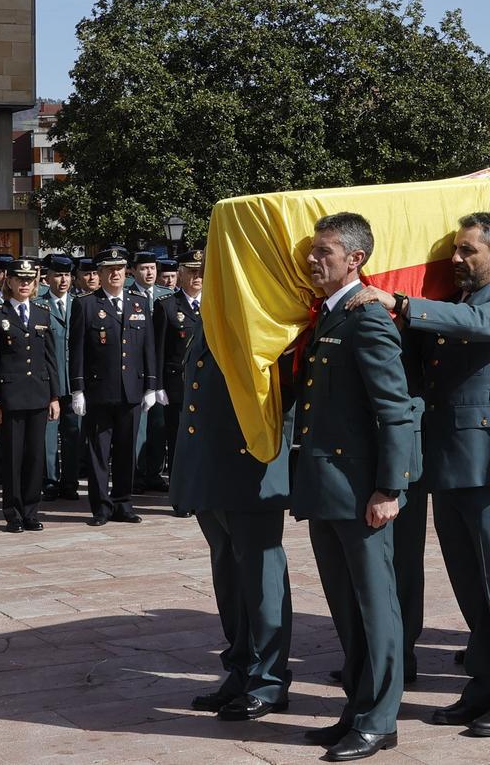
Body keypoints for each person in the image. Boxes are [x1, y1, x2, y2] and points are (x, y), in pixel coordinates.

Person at [348, 212, 490, 738]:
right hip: (449, 463)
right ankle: (482, 685)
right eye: (454, 249)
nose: (456, 259)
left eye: (468, 250)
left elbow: (482, 327)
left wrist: (403, 302)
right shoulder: (452, 307)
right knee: (470, 586)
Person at [296, 213, 416, 763]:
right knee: (346, 607)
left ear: (355, 258)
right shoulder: (328, 315)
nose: (312, 259)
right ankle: (357, 706)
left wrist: (389, 487)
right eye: (311, 250)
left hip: (362, 490)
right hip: (327, 487)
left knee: (376, 607)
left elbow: (395, 411)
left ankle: (379, 720)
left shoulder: (366, 317)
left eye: (324, 251)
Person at [172, 246, 295, 724]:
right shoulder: (211, 315)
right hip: (213, 469)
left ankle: (270, 678)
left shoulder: (264, 316)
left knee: (260, 574)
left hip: (250, 467)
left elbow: (280, 392)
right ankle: (242, 668)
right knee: (228, 571)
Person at [69, 246, 159, 525]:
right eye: (109, 270)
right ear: (100, 273)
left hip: (131, 389)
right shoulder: (86, 304)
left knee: (125, 450)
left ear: (126, 271)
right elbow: (77, 349)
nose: (115, 274)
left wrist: (151, 385)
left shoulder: (138, 302)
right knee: (99, 452)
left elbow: (148, 346)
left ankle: (123, 502)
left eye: (119, 269)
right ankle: (101, 507)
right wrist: (78, 390)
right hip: (99, 391)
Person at [0, 256, 61, 533]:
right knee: (13, 457)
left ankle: (31, 510)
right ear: (10, 282)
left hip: (39, 395)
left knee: (35, 456)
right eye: (19, 280)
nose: (24, 284)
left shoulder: (42, 313)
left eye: (29, 280)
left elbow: (51, 359)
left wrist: (55, 396)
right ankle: (13, 513)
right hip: (11, 397)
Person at [143, 251, 204, 493]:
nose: (197, 277)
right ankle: (181, 493)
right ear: (180, 274)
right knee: (178, 441)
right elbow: (156, 349)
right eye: (191, 271)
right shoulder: (167, 306)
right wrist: (156, 386)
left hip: (206, 387)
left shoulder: (214, 304)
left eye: (200, 272)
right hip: (176, 385)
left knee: (202, 441)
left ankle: (200, 489)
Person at [39, 254, 81, 502]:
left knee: (73, 434)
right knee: (48, 436)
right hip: (48, 382)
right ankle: (50, 481)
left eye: (66, 275)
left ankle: (70, 483)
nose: (63, 280)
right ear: (48, 277)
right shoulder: (39, 305)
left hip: (74, 381)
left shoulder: (79, 304)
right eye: (58, 275)